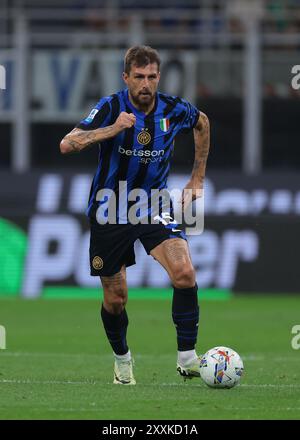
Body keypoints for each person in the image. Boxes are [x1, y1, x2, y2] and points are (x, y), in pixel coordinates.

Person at [60, 45, 210, 385]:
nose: (145, 83)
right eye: (139, 77)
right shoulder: (111, 106)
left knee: (184, 273)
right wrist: (112, 129)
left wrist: (197, 177)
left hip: (153, 204)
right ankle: (122, 359)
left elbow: (202, 123)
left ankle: (187, 357)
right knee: (116, 299)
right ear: (126, 77)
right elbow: (67, 144)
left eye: (152, 77)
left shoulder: (174, 109)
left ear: (159, 77)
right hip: (109, 209)